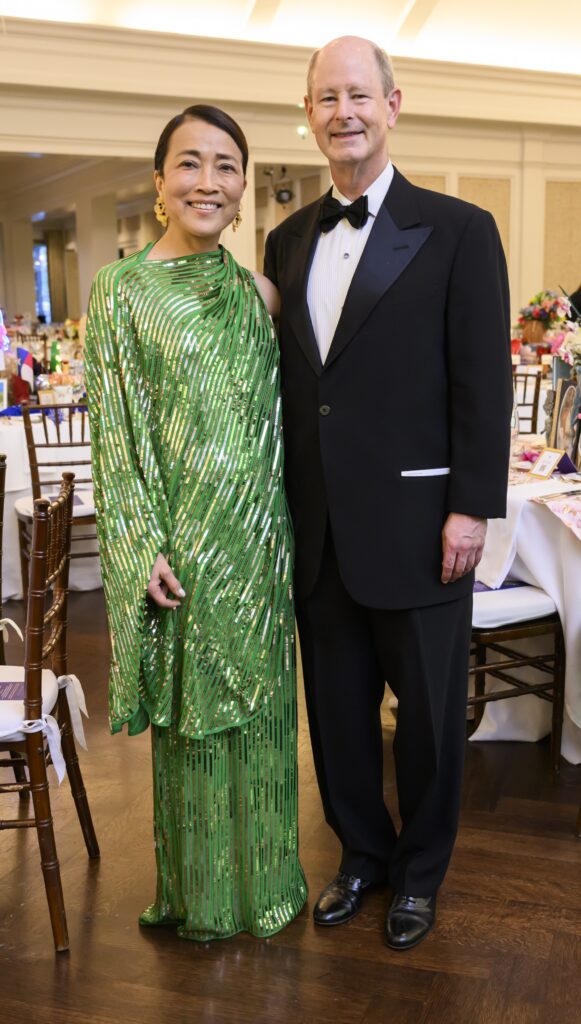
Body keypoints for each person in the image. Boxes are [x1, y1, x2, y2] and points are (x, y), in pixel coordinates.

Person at [264, 37, 512, 951]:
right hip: (318, 526)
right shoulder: (286, 240)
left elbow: (480, 381)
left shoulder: (458, 228)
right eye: (326, 98)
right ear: (310, 112)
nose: (344, 112)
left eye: (358, 95)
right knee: (333, 715)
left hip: (420, 523)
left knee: (429, 725)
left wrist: (470, 506)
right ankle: (360, 855)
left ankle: (418, 876)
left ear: (393, 104)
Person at [85, 104, 307, 941]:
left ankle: (268, 885)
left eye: (225, 165)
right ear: (159, 183)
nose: (207, 181)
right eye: (189, 163)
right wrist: (140, 545)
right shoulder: (121, 291)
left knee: (264, 715)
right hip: (182, 549)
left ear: (243, 187)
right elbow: (116, 433)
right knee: (194, 724)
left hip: (260, 544)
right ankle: (202, 894)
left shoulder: (261, 293)